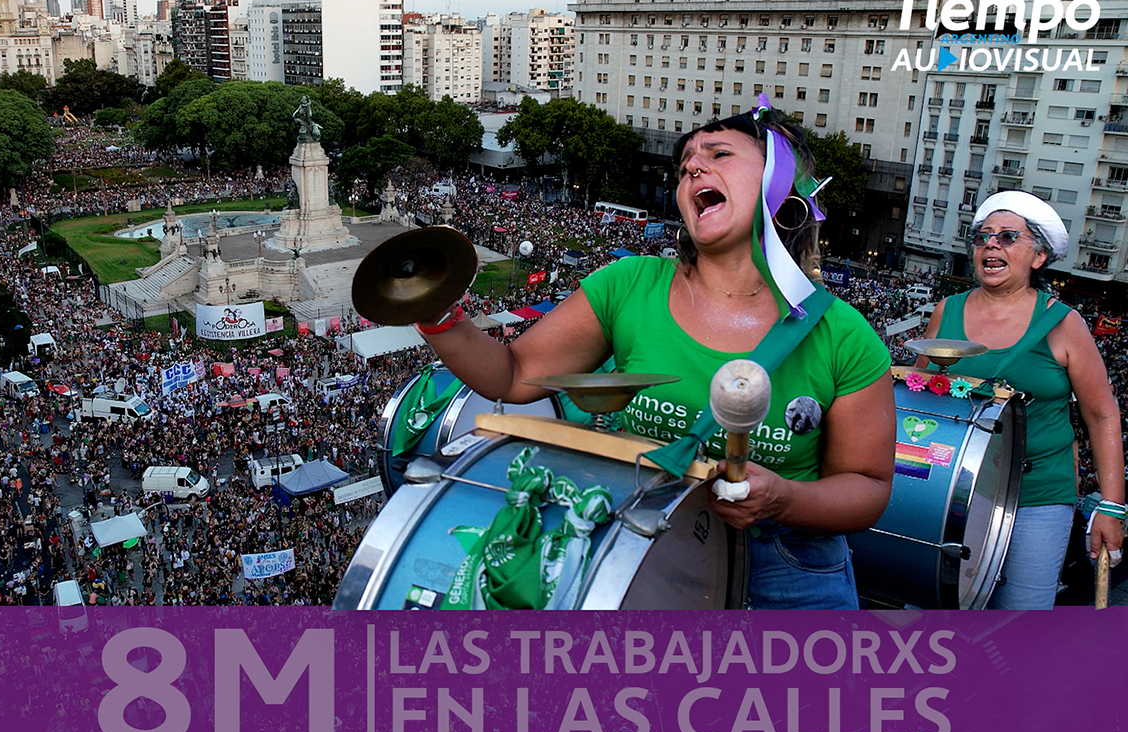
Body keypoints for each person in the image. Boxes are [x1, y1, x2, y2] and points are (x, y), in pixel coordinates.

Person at [416, 99, 895, 609]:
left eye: (719, 153)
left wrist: (786, 499)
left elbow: (868, 487)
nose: (693, 167)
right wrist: (435, 312)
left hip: (789, 569)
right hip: (647, 551)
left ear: (782, 188)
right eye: (686, 162)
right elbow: (512, 376)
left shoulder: (842, 335)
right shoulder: (628, 286)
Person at [918, 190, 1124, 609]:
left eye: (1008, 236)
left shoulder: (1064, 324)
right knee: (936, 609)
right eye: (982, 236)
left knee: (1022, 620)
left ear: (1038, 256)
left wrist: (1113, 506)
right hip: (954, 495)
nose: (991, 244)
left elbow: (1102, 414)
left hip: (1040, 497)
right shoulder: (946, 310)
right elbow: (919, 403)